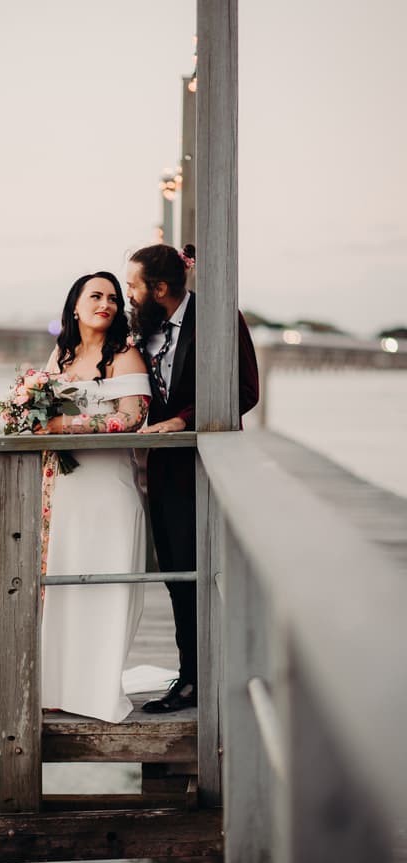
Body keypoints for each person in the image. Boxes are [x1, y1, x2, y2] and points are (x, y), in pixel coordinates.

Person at [126, 243, 259, 713]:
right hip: (162, 474)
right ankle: (192, 678)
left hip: (210, 468)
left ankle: (230, 675)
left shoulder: (220, 316)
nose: (128, 293)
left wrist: (184, 420)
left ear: (159, 288)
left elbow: (245, 392)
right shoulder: (141, 328)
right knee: (177, 577)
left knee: (213, 574)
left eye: (133, 285)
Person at [37, 271, 152, 723]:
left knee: (106, 585)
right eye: (96, 295)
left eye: (113, 297)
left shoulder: (125, 356)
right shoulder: (60, 354)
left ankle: (99, 690)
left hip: (107, 489)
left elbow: (133, 417)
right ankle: (58, 686)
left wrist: (67, 427)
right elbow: (38, 410)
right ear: (75, 305)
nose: (106, 303)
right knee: (63, 584)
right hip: (65, 490)